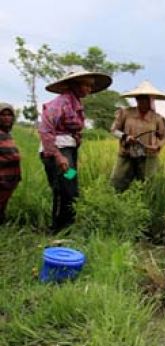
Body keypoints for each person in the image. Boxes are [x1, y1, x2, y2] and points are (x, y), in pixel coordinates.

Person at [39, 70, 112, 232]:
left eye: (91, 86)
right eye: (86, 85)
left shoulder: (75, 104)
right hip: (58, 152)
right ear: (75, 85)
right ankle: (57, 228)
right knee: (63, 189)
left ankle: (67, 226)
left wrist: (77, 138)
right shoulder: (59, 104)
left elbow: (74, 128)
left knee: (70, 187)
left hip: (69, 152)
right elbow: (45, 131)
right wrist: (58, 156)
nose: (89, 89)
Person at [110, 81, 165, 191]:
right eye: (140, 98)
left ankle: (144, 205)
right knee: (117, 181)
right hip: (126, 154)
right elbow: (114, 130)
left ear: (151, 100)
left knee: (148, 185)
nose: (143, 101)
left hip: (148, 156)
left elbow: (164, 137)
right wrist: (125, 137)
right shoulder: (126, 113)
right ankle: (117, 204)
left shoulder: (157, 118)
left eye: (147, 99)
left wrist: (158, 146)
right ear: (136, 99)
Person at [0, 103, 21, 224]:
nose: (7, 118)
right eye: (3, 115)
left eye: (9, 115)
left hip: (9, 180)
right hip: (3, 180)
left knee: (70, 185)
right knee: (63, 188)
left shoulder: (7, 135)